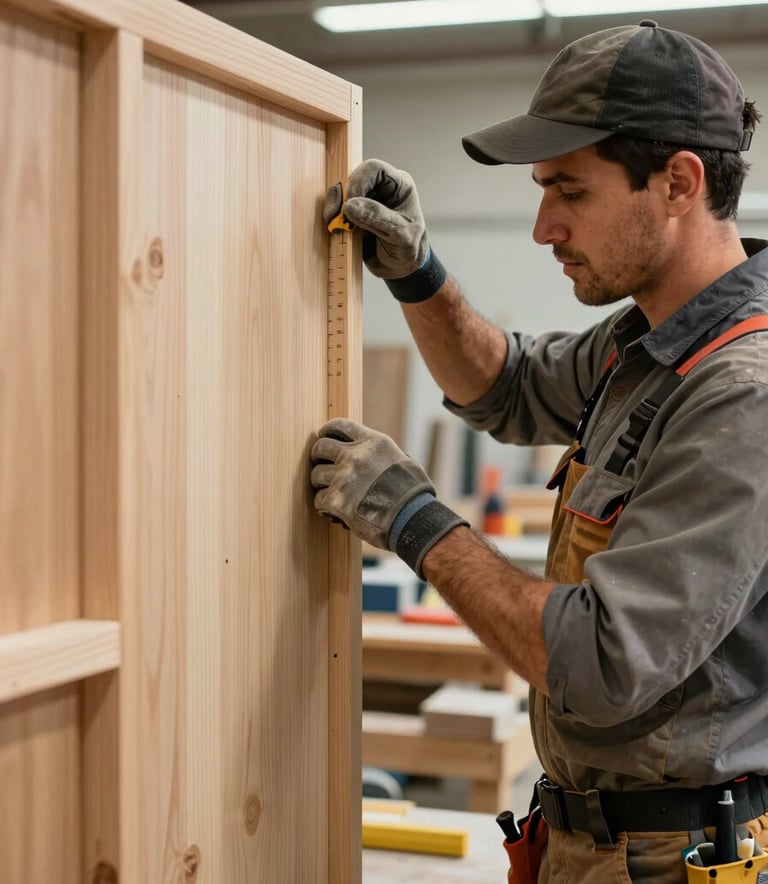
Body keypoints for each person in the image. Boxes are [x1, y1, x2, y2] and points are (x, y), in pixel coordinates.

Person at [310, 20, 768, 884]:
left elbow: (599, 664)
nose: (543, 227)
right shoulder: (649, 342)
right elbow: (509, 385)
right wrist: (418, 272)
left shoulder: (741, 390)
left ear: (678, 182)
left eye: (570, 191)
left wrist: (415, 521)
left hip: (674, 860)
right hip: (594, 841)